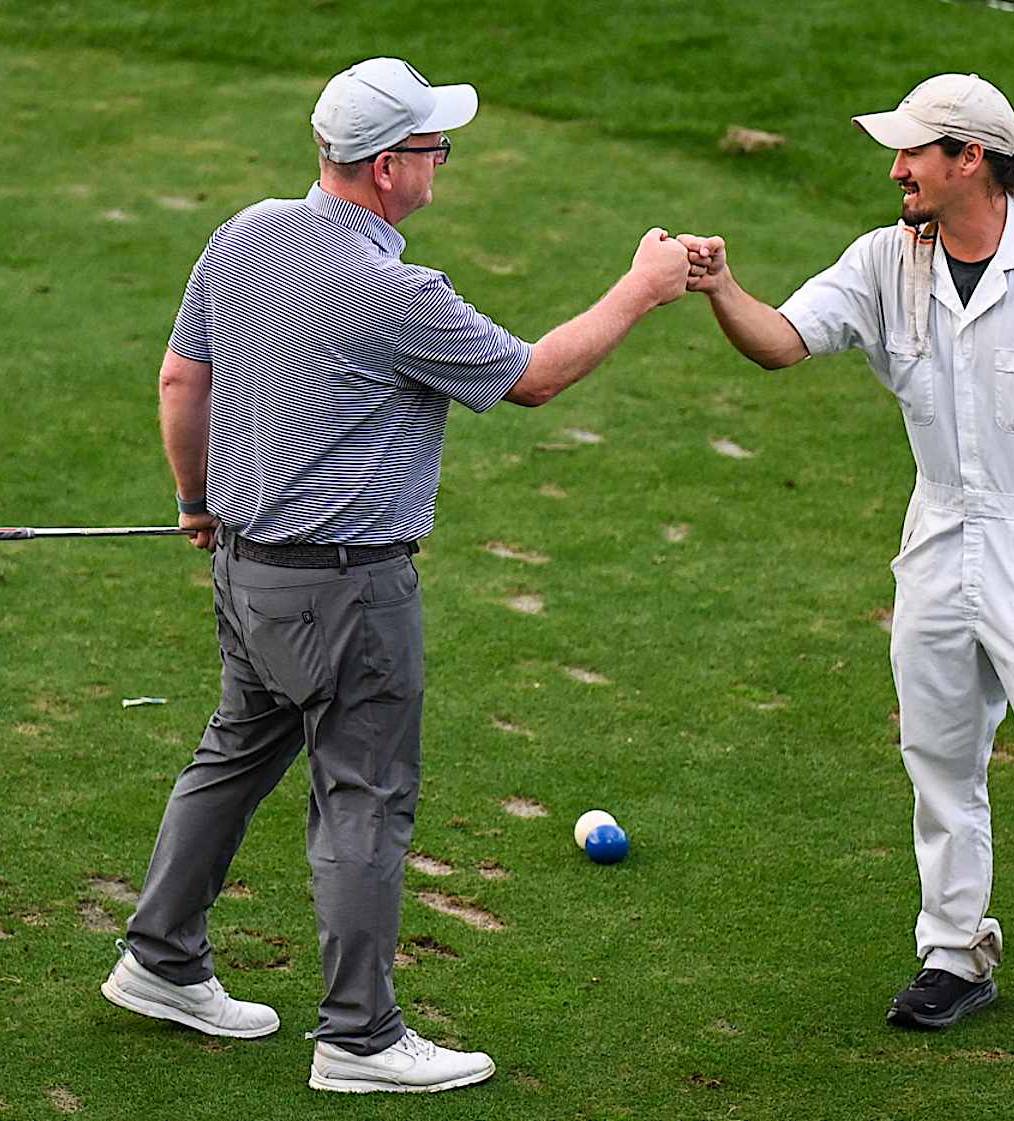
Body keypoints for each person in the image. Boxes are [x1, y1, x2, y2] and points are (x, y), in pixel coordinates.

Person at [101, 56, 691, 1094]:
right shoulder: (395, 291)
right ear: (384, 168)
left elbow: (180, 376)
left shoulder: (242, 234)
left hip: (246, 572)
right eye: (434, 149)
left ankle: (160, 958)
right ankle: (360, 1037)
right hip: (346, 592)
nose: (442, 164)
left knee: (232, 754)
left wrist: (195, 502)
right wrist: (641, 288)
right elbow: (536, 377)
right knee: (364, 802)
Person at [678, 73, 1014, 1061]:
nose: (896, 168)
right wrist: (722, 288)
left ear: (970, 162)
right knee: (938, 758)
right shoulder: (883, 261)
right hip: (937, 537)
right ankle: (956, 955)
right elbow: (781, 343)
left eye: (914, 152)